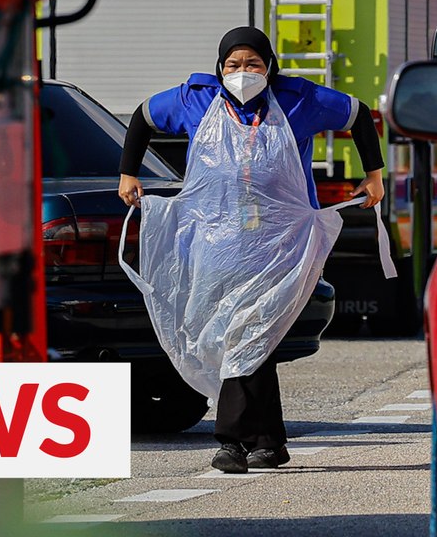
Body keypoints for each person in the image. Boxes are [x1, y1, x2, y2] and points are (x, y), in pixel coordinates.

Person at [117, 25, 385, 473]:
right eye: (233, 65)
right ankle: (267, 442)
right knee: (237, 334)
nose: (243, 73)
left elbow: (357, 115)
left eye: (253, 65)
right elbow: (144, 116)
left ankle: (232, 442)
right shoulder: (195, 100)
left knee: (249, 332)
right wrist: (128, 173)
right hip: (217, 245)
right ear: (219, 68)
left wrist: (373, 174)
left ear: (270, 66)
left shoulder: (299, 100)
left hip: (279, 246)